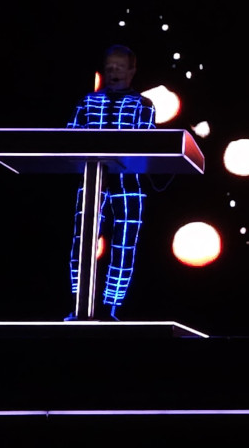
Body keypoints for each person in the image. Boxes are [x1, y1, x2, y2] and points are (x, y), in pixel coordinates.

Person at [66, 45, 156, 321]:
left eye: (120, 66)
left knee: (124, 245)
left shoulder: (143, 105)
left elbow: (149, 142)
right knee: (82, 242)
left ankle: (111, 308)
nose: (114, 71)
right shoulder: (87, 102)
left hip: (128, 184)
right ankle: (80, 304)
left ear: (131, 71)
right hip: (91, 182)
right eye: (110, 66)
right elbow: (68, 138)